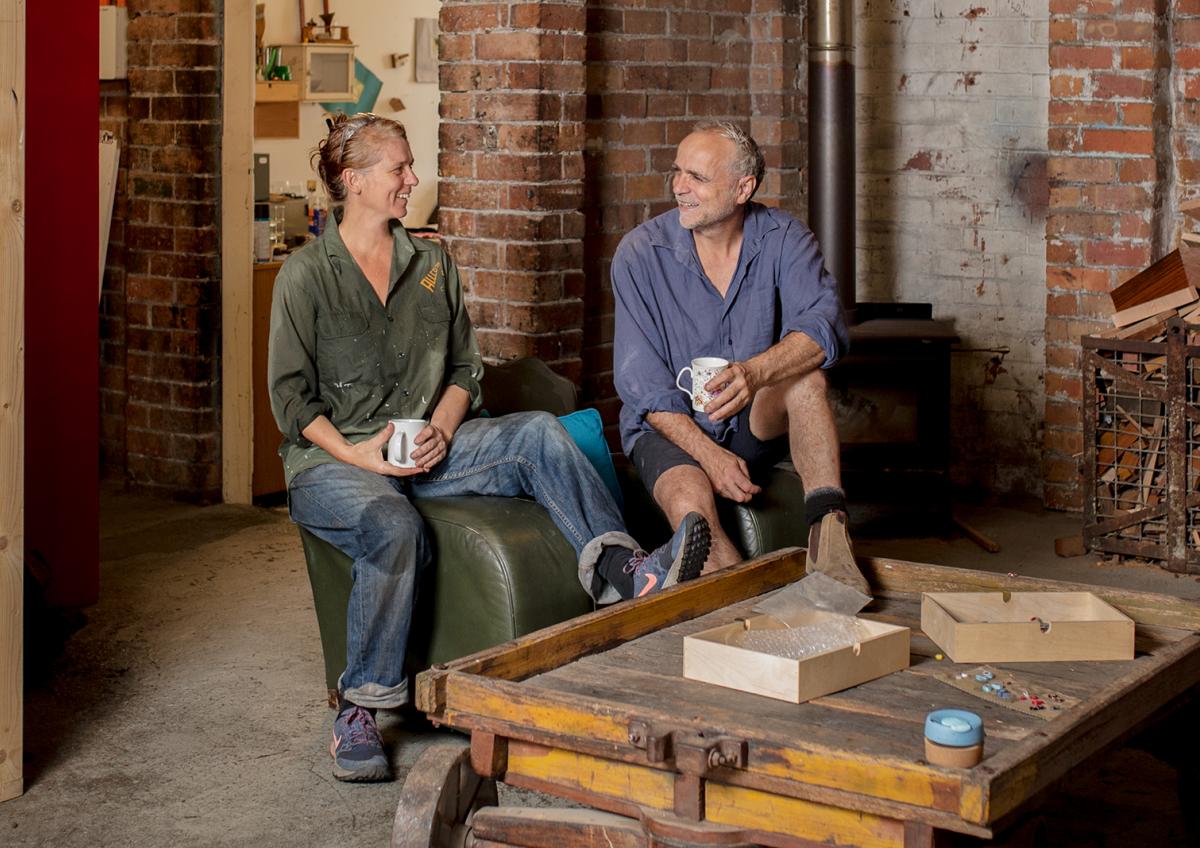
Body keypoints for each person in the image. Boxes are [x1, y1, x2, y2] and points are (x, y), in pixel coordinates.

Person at [268, 113, 711, 783]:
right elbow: (292, 400)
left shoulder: (431, 263)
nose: (413, 179)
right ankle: (360, 709)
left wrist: (444, 427)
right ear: (354, 182)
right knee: (391, 523)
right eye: (399, 169)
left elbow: (464, 372)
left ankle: (624, 571)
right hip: (337, 463)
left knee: (536, 429)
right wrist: (362, 457)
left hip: (426, 450)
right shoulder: (306, 277)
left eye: (409, 166)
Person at [611, 120, 868, 595]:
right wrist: (710, 456)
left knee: (806, 381)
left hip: (751, 419)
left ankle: (829, 537)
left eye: (697, 178)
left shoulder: (783, 238)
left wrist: (755, 373)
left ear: (743, 188)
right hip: (670, 427)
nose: (679, 188)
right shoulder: (641, 254)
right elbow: (643, 386)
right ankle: (739, 605)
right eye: (677, 172)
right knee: (693, 507)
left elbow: (824, 326)